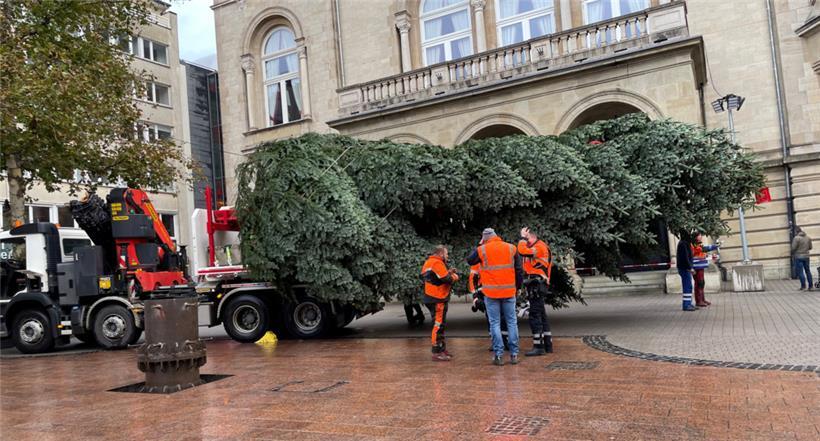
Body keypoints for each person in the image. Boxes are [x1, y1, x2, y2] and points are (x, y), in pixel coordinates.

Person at [466, 228, 523, 366]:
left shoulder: (482, 249)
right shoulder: (511, 248)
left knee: (495, 323)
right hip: (509, 291)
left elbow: (470, 260)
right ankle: (514, 354)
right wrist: (518, 287)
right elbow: (519, 270)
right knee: (511, 322)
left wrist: (480, 245)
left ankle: (499, 355)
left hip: (491, 294)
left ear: (484, 239)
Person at [517, 227, 554, 356]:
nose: (524, 242)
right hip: (536, 285)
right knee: (541, 315)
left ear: (530, 237)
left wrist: (522, 237)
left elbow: (522, 251)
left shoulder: (539, 247)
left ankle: (539, 346)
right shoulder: (538, 247)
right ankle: (547, 345)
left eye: (526, 239)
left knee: (535, 315)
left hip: (537, 285)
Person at [420, 245, 459, 361]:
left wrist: (448, 272)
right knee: (438, 325)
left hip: (432, 297)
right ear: (441, 254)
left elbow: (434, 277)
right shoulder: (437, 263)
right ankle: (437, 352)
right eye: (446, 254)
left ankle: (441, 349)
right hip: (437, 298)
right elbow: (447, 279)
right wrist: (454, 276)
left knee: (439, 325)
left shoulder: (430, 262)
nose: (447, 256)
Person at [469, 262, 509, 352]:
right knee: (493, 317)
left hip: (496, 290)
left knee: (497, 317)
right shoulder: (478, 261)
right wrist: (475, 296)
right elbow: (472, 279)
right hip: (486, 291)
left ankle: (503, 340)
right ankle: (497, 341)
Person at [691, 232, 719, 307]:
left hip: (701, 265)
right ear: (695, 237)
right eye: (699, 235)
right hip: (696, 266)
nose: (701, 236)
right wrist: (714, 247)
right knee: (699, 283)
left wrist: (710, 253)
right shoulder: (693, 245)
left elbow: (702, 251)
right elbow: (701, 250)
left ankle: (702, 299)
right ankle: (699, 301)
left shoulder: (698, 244)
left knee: (702, 282)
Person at [676, 231, 697, 311]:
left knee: (688, 286)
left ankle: (688, 303)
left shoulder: (683, 243)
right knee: (687, 287)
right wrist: (690, 267)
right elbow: (685, 257)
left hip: (684, 268)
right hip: (684, 268)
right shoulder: (684, 244)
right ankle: (686, 305)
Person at [792, 226, 813, 291]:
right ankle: (810, 286)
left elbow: (793, 248)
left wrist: (792, 252)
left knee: (800, 272)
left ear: (796, 231)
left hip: (798, 257)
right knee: (808, 271)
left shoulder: (796, 238)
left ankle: (803, 286)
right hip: (806, 256)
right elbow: (810, 247)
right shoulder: (808, 238)